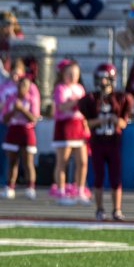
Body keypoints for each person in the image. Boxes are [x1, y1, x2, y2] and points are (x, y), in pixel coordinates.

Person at [79, 63, 133, 220]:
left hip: (113, 143)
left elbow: (123, 123)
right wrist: (100, 121)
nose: (102, 82)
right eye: (100, 78)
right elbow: (87, 123)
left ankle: (117, 209)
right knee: (98, 177)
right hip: (97, 142)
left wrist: (114, 119)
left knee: (116, 177)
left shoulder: (120, 98)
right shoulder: (91, 99)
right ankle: (100, 209)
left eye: (105, 78)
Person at [50, 59, 88, 204]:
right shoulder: (60, 88)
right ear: (63, 74)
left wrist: (86, 125)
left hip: (78, 126)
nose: (73, 77)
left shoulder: (80, 88)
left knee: (82, 161)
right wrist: (76, 102)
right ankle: (61, 192)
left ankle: (80, 191)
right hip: (65, 126)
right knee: (62, 162)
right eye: (70, 74)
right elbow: (61, 106)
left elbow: (84, 110)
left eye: (75, 74)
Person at [0, 72, 40, 199]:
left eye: (24, 86)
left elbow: (34, 118)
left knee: (28, 162)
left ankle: (30, 187)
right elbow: (4, 118)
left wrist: (22, 109)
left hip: (27, 131)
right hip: (13, 130)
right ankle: (10, 186)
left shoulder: (31, 99)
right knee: (12, 161)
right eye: (19, 85)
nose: (21, 88)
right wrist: (14, 110)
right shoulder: (11, 99)